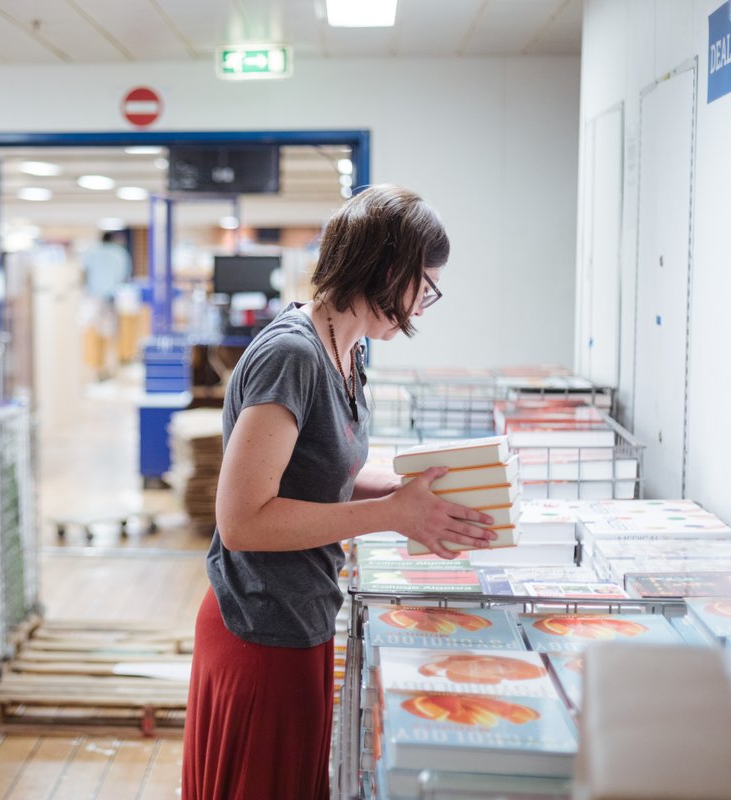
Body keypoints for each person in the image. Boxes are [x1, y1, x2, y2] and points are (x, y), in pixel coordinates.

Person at [181, 184, 496, 799]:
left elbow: (323, 474)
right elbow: (244, 519)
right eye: (423, 286)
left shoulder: (346, 352)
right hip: (259, 627)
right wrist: (390, 514)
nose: (425, 305)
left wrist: (414, 492)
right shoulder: (292, 356)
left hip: (301, 614)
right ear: (387, 270)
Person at [80, 231, 132, 378]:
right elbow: (123, 276)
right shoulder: (119, 253)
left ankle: (97, 368)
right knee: (111, 333)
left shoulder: (91, 253)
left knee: (94, 332)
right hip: (111, 297)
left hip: (93, 298)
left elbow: (83, 274)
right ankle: (111, 366)